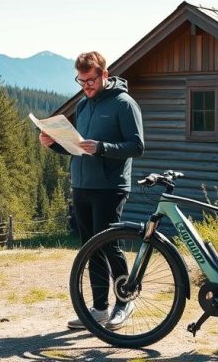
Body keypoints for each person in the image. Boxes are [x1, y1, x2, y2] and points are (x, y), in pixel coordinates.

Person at [39, 51, 145, 331]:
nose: (86, 86)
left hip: (110, 187)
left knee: (109, 245)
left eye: (90, 80)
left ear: (104, 75)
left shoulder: (124, 104)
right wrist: (54, 144)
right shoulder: (84, 106)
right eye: (81, 80)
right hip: (82, 184)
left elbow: (137, 146)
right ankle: (99, 309)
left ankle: (125, 301)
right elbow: (78, 148)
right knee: (91, 249)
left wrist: (103, 147)